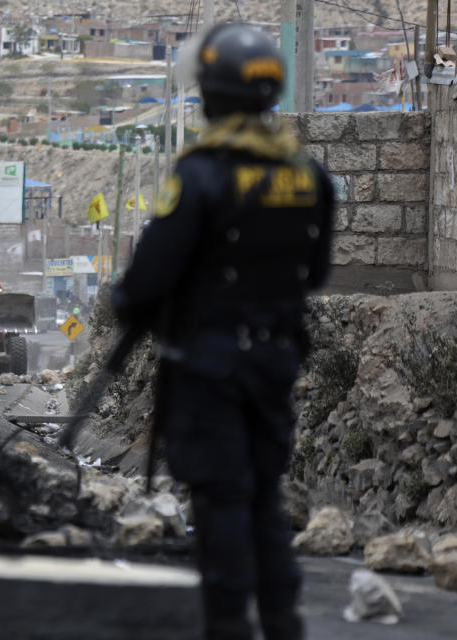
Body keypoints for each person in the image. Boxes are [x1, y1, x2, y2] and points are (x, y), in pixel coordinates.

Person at [110, 24, 334, 640]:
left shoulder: (203, 174)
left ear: (211, 96)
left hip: (209, 365)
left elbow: (147, 278)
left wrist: (130, 306)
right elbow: (313, 272)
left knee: (220, 496)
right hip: (276, 360)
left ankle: (229, 623)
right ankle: (284, 619)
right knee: (265, 491)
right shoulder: (308, 175)